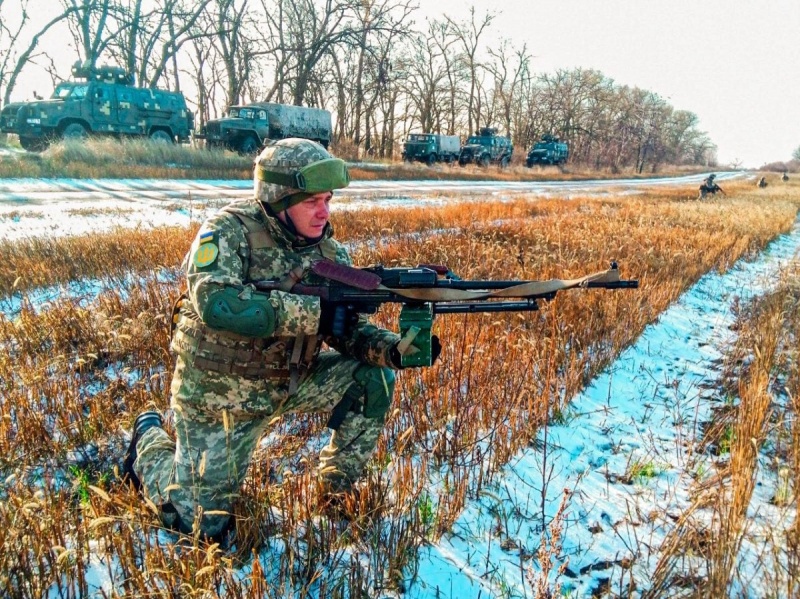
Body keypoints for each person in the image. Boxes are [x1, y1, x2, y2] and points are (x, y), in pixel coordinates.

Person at [122, 138, 441, 541]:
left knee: (373, 379)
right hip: (220, 396)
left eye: (328, 199)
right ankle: (147, 441)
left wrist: (393, 349)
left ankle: (334, 491)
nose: (324, 212)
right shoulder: (227, 232)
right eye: (312, 202)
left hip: (290, 382)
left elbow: (345, 329)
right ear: (278, 197)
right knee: (200, 526)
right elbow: (217, 303)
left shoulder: (329, 251)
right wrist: (315, 313)